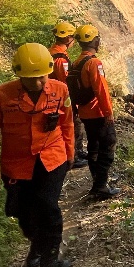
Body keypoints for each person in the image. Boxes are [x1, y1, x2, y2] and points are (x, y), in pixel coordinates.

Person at [0, 43, 74, 267]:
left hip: (52, 157)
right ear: (19, 75)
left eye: (43, 77)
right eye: (33, 79)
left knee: (46, 205)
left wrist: (70, 154)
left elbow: (68, 124)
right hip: (17, 164)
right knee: (21, 211)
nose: (40, 83)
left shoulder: (60, 90)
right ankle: (37, 244)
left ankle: (50, 260)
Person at [68, 24, 120, 200]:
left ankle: (99, 181)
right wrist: (108, 113)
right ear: (95, 40)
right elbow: (101, 90)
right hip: (98, 112)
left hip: (85, 113)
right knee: (107, 146)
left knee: (93, 148)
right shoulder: (94, 63)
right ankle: (100, 186)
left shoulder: (76, 63)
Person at [49, 21, 88, 169]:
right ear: (67, 38)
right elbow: (65, 82)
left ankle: (78, 151)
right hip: (62, 98)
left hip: (54, 96)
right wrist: (73, 101)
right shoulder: (60, 59)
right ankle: (74, 155)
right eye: (72, 37)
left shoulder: (52, 52)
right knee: (73, 125)